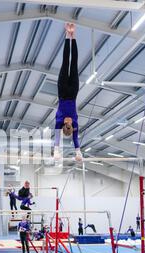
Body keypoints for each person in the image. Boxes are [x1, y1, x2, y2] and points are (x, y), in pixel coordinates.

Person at [53, 23, 82, 162]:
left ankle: (67, 35)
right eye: (69, 121)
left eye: (66, 121)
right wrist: (78, 153)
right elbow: (76, 138)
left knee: (65, 62)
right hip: (74, 92)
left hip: (63, 91)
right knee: (74, 63)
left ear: (64, 124)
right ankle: (73, 35)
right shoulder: (74, 125)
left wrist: (56, 151)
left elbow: (57, 138)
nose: (68, 120)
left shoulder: (59, 123)